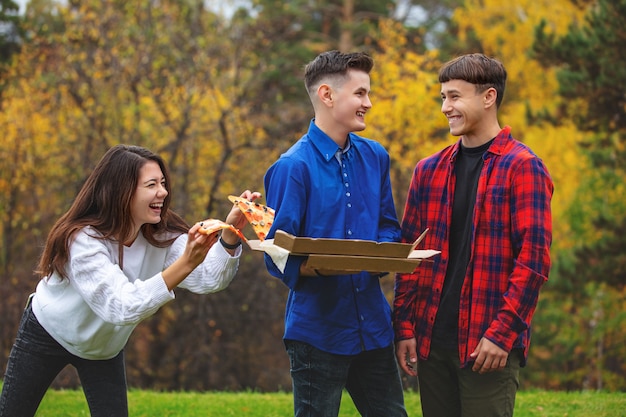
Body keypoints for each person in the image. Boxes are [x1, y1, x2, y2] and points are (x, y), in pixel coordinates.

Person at [0, 144, 261, 417]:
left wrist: (229, 236)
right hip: (48, 331)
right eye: (151, 185)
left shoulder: (160, 235)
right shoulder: (83, 241)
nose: (163, 192)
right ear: (121, 192)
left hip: (104, 348)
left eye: (162, 183)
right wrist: (185, 262)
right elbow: (121, 306)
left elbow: (209, 278)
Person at [393, 53, 553, 417]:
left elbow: (533, 262)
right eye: (443, 98)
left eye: (454, 96)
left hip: (487, 347)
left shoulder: (523, 167)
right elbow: (408, 255)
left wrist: (503, 334)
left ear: (488, 97)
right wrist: (404, 326)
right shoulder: (428, 170)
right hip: (432, 342)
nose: (446, 107)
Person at [263, 50, 407, 417]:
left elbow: (388, 226)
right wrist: (321, 266)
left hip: (373, 327)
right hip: (317, 332)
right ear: (327, 95)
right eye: (360, 94)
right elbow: (275, 253)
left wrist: (381, 256)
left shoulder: (375, 156)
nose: (368, 103)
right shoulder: (292, 167)